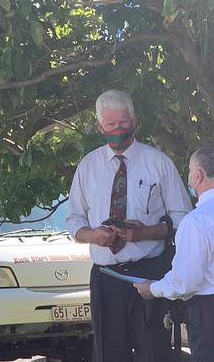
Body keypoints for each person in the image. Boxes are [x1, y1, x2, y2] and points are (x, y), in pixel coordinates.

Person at [67, 89, 192, 362]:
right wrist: (93, 235)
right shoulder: (88, 167)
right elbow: (74, 220)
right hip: (107, 277)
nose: (118, 130)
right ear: (99, 126)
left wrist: (145, 233)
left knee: (155, 354)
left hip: (149, 275)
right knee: (109, 354)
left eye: (123, 123)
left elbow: (185, 218)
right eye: (111, 125)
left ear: (134, 121)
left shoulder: (158, 162)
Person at [134, 144, 214, 362]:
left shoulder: (196, 221)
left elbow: (185, 281)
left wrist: (153, 288)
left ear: (198, 175)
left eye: (189, 171)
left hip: (212, 314)